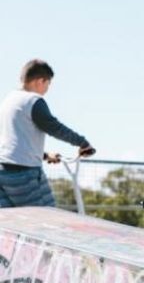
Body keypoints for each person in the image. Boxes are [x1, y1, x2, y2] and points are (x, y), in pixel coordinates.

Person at [0, 59, 95, 208]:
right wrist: (83, 143)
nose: (47, 89)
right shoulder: (33, 101)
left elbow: (14, 140)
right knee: (46, 218)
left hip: (3, 171)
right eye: (48, 84)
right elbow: (55, 128)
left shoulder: (8, 100)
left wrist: (45, 155)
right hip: (24, 173)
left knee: (10, 222)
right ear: (40, 81)